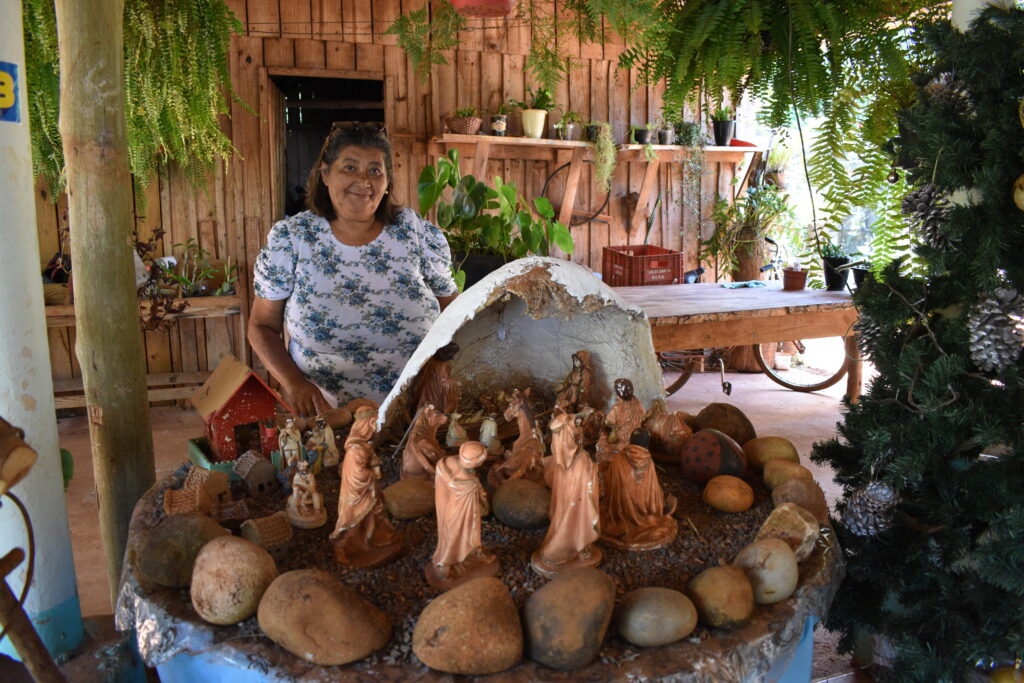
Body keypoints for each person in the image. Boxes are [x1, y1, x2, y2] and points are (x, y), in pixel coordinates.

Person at [249, 123, 459, 416]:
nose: (364, 180)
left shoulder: (415, 233)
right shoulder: (293, 238)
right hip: (326, 411)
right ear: (325, 174)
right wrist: (295, 384)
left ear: (387, 182)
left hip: (418, 407)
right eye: (350, 167)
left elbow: (453, 312)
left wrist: (442, 369)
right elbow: (262, 326)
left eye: (375, 170)